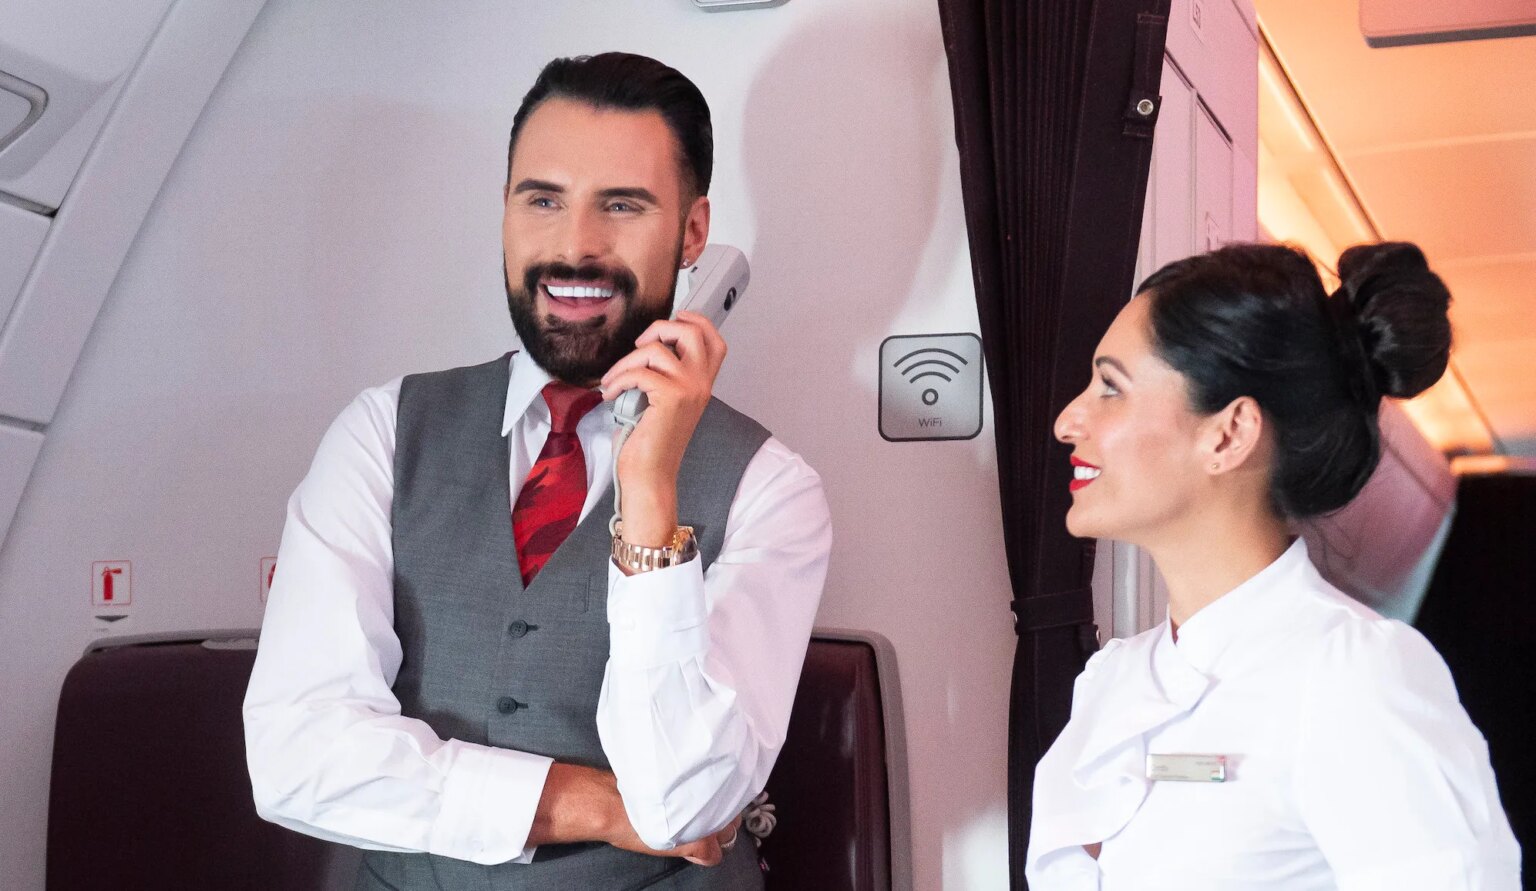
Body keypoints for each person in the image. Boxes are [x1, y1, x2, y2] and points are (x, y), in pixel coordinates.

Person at [242, 53, 830, 890]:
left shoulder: (773, 489)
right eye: (542, 199)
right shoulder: (380, 432)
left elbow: (684, 804)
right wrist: (599, 807)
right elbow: (295, 754)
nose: (574, 246)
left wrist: (651, 490)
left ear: (695, 234)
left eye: (622, 206)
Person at [1028, 242, 1521, 889]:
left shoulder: (1354, 673)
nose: (1069, 419)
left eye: (1110, 387)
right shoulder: (1111, 681)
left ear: (1229, 433)